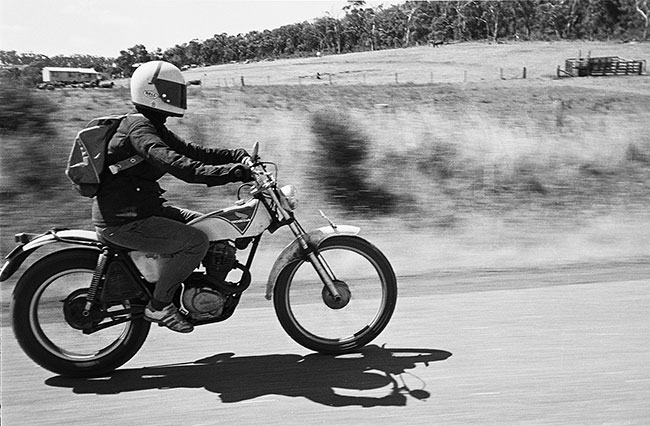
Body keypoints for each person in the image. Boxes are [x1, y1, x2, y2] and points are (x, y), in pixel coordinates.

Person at [93, 60, 251, 333]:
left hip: (144, 210)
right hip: (124, 220)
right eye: (172, 89)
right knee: (195, 242)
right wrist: (232, 173)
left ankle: (199, 290)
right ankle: (160, 305)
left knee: (215, 227)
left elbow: (194, 152)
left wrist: (236, 156)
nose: (178, 95)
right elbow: (179, 165)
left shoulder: (153, 126)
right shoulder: (139, 130)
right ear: (152, 91)